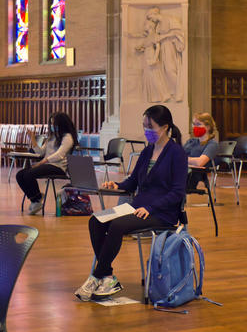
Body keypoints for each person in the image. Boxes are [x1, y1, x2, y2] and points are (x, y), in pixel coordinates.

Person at [74, 105, 187, 301]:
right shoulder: (146, 152)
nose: (146, 131)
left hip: (162, 213)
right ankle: (107, 275)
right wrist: (117, 185)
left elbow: (177, 192)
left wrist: (151, 208)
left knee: (118, 225)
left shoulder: (177, 154)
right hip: (137, 208)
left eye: (150, 127)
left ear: (165, 126)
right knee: (96, 220)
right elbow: (133, 181)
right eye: (144, 126)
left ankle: (97, 274)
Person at [16, 112, 78, 215]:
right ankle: (36, 198)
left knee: (28, 174)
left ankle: (36, 199)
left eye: (55, 124)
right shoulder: (51, 137)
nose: (53, 126)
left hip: (58, 167)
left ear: (61, 124)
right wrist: (33, 139)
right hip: (47, 164)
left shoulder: (68, 137)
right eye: (51, 124)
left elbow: (59, 155)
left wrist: (41, 162)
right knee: (20, 175)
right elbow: (40, 152)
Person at [183, 112, 219, 190]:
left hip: (194, 173)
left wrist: (183, 159)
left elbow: (200, 162)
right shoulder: (191, 141)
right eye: (194, 124)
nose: (195, 127)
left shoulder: (212, 144)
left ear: (208, 127)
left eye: (198, 124)